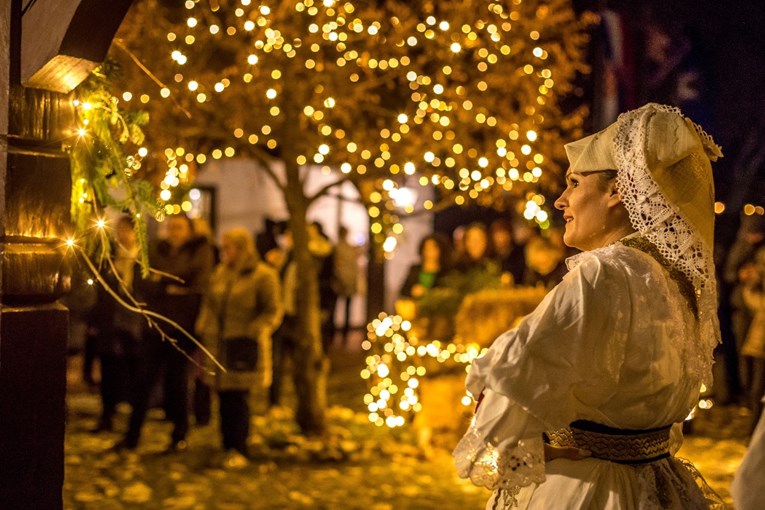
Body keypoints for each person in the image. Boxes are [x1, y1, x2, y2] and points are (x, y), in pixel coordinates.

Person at [453, 103, 725, 509]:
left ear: (617, 190)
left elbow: (508, 377)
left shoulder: (603, 273)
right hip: (654, 484)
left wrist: (526, 450)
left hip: (587, 488)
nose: (561, 201)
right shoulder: (671, 280)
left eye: (575, 183)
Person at [116, 213, 214, 452]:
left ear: (189, 230)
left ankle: (179, 435)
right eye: (171, 227)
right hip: (155, 326)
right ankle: (132, 436)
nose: (174, 232)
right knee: (143, 382)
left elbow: (196, 285)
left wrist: (164, 282)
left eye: (179, 227)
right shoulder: (155, 249)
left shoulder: (199, 252)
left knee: (178, 383)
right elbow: (142, 282)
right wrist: (168, 286)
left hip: (182, 329)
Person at [195, 227, 282, 468]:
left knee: (239, 399)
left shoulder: (262, 275)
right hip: (219, 344)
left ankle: (239, 446)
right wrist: (203, 326)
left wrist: (256, 329)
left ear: (243, 248)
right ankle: (226, 444)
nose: (225, 253)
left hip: (243, 346)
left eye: (229, 247)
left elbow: (273, 310)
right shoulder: (221, 273)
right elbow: (210, 302)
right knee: (223, 397)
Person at [88, 215, 142, 432]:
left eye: (127, 230)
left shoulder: (141, 259)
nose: (122, 235)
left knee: (133, 372)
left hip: (133, 325)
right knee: (109, 370)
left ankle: (131, 419)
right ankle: (107, 415)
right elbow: (102, 293)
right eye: (119, 230)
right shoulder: (109, 258)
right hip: (110, 324)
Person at [399, 233, 450, 299]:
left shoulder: (446, 272)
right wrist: (412, 291)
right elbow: (403, 290)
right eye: (426, 248)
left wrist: (427, 292)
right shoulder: (415, 269)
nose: (429, 252)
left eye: (433, 248)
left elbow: (446, 293)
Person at [333, 225, 361, 346]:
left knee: (338, 309)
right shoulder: (346, 248)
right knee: (345, 309)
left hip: (343, 281)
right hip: (345, 281)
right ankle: (342, 335)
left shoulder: (340, 248)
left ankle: (340, 336)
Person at [489, 219, 527, 287]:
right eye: (497, 235)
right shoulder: (490, 256)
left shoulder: (519, 254)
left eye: (503, 234)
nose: (501, 239)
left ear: (510, 235)